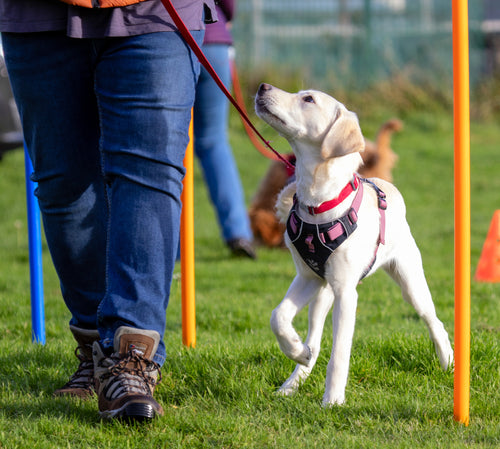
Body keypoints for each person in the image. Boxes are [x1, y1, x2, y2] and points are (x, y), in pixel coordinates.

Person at [0, 0, 217, 422]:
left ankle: (129, 357)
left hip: (157, 12)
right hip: (37, 14)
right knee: (65, 182)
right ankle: (94, 347)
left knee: (150, 172)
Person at [193, 0, 256, 259]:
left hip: (166, 36)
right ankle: (238, 232)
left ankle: (168, 242)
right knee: (215, 142)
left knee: (164, 147)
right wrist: (224, 15)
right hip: (215, 39)